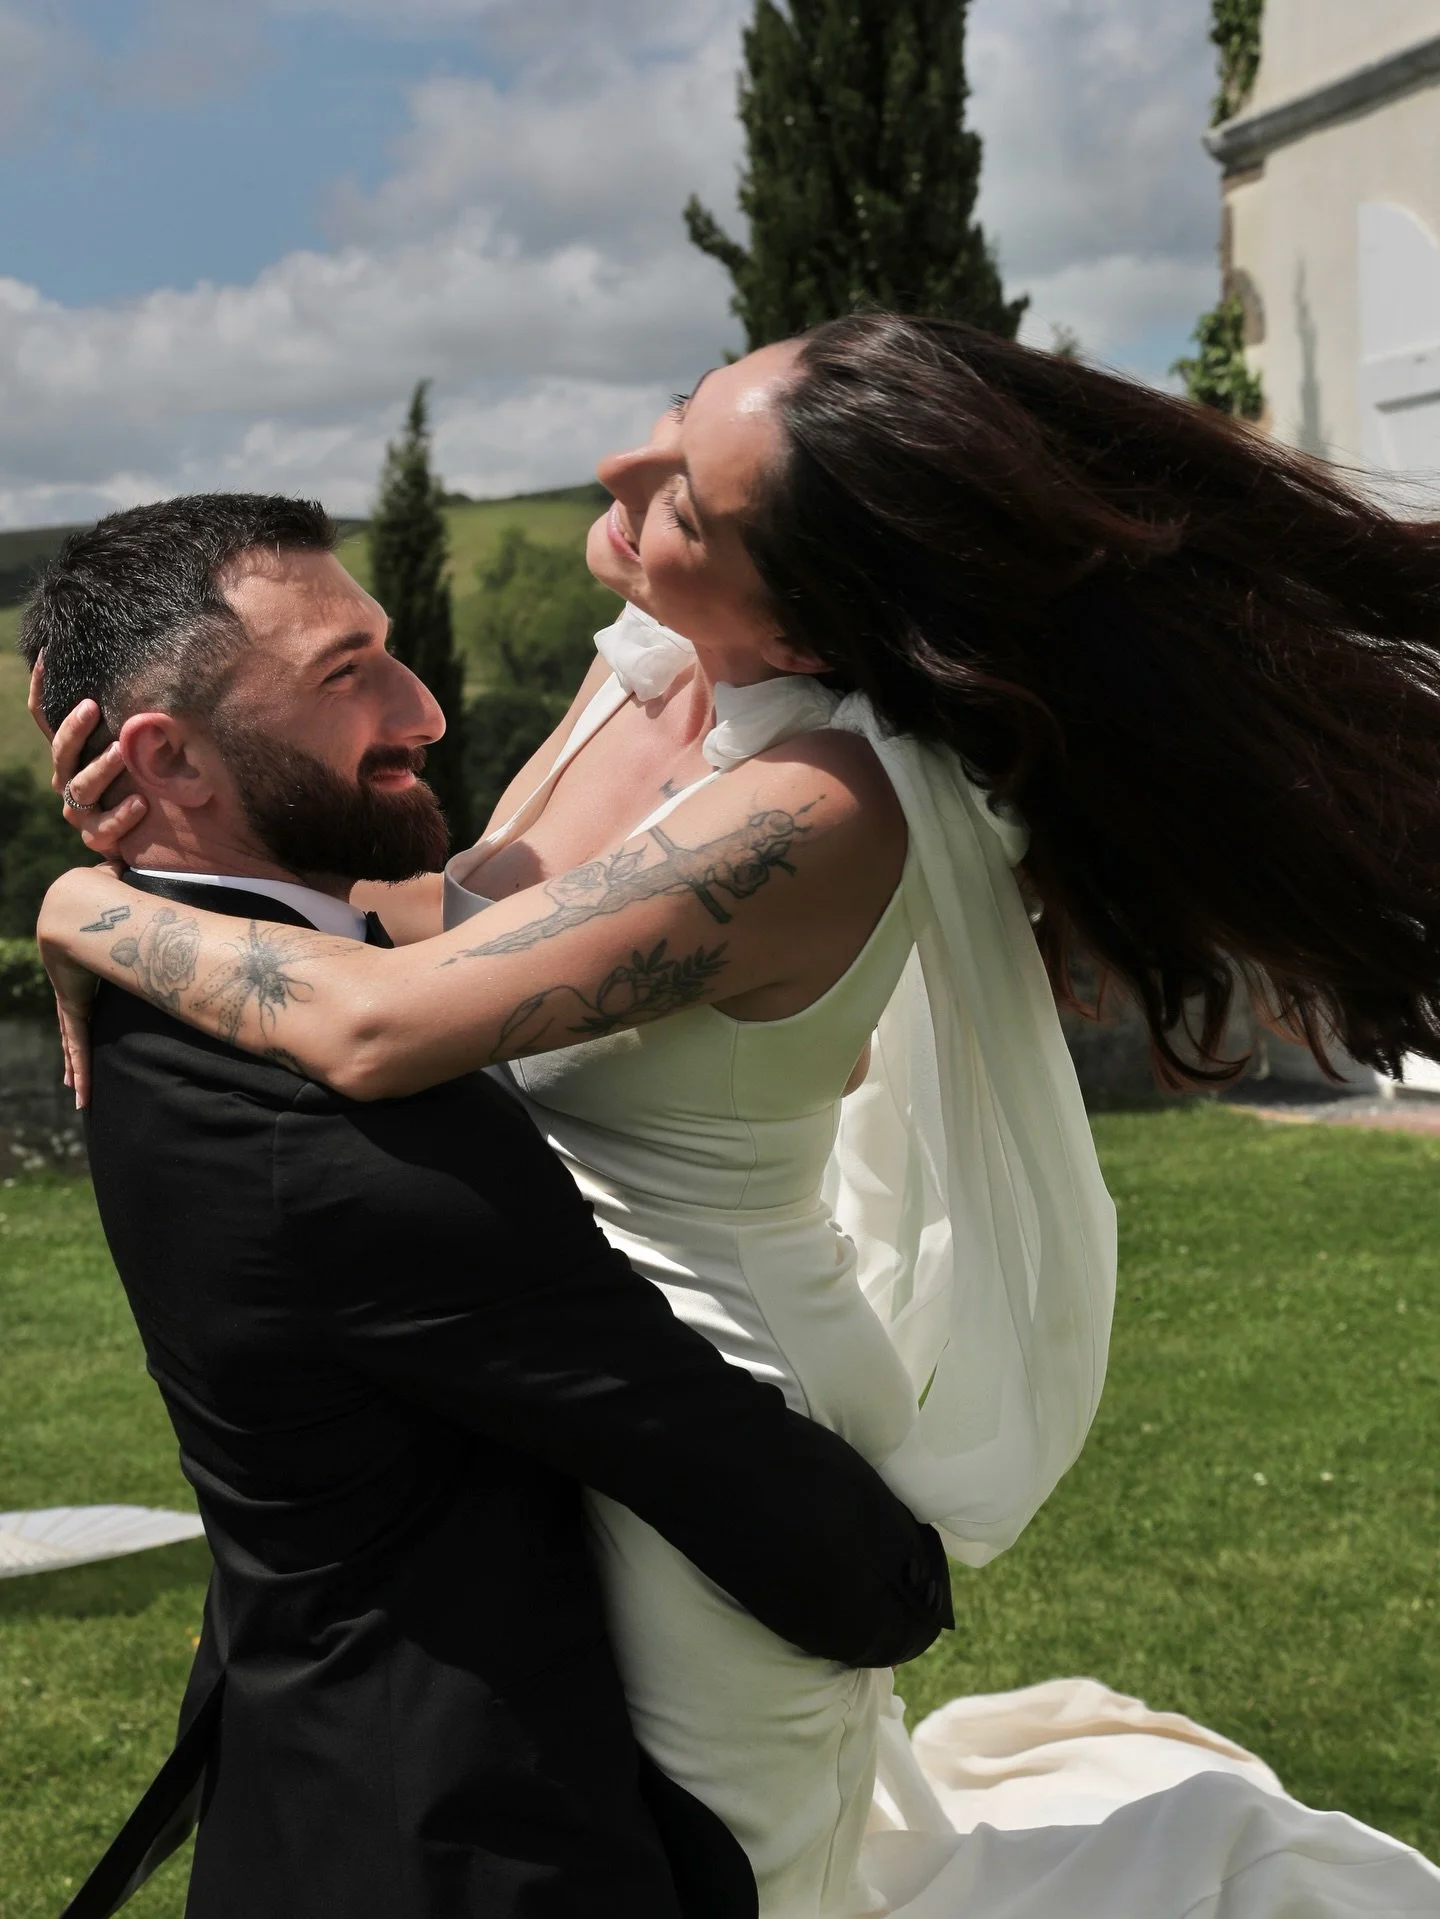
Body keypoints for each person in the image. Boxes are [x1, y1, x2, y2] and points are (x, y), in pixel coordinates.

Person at [36, 316, 1440, 1915]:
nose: (630, 470)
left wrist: (89, 906)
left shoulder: (815, 809)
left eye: (692, 494)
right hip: (553, 1354)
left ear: (807, 621)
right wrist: (199, 849)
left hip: (715, 1397)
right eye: (677, 414)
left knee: (752, 1883)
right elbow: (466, 920)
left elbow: (377, 1020)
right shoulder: (644, 668)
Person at [19, 493, 952, 1919]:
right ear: (167, 758)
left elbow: (454, 922)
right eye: (347, 676)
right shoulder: (344, 1143)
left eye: (392, 648)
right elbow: (690, 1444)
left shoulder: (175, 988)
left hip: (311, 1767)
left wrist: (85, 897)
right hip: (462, 1843)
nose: (425, 707)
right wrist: (899, 1585)